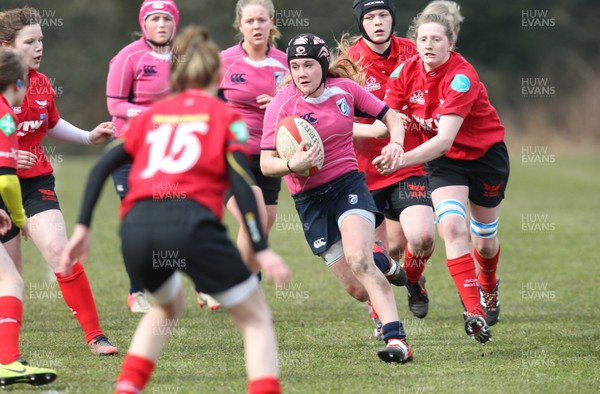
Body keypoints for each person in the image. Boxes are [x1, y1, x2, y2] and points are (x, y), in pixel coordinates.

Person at [60, 25, 290, 394]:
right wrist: (262, 248)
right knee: (256, 319)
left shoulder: (153, 114)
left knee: (166, 308)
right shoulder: (222, 116)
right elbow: (238, 183)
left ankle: (127, 388)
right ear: (218, 76)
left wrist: (83, 227)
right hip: (192, 225)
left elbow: (103, 165)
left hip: (136, 228)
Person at [261, 33, 412, 363]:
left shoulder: (345, 91)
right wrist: (291, 164)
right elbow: (265, 163)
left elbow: (390, 117)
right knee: (358, 289)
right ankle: (387, 263)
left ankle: (397, 340)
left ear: (323, 64)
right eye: (296, 66)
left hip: (347, 187)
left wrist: (396, 144)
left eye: (309, 65)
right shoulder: (280, 104)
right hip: (310, 202)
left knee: (360, 260)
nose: (302, 73)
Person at [376, 12, 509, 342]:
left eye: (436, 39)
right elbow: (385, 123)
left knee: (486, 242)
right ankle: (474, 312)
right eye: (422, 38)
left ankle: (489, 286)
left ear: (451, 43)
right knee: (450, 226)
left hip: (485, 159)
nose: (428, 45)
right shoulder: (404, 73)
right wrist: (341, 126)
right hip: (446, 164)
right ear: (415, 42)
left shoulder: (462, 77)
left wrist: (401, 159)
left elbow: (444, 138)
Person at [0, 7, 118, 355]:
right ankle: (9, 353)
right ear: (6, 45)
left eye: (42, 40)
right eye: (30, 41)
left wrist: (87, 137)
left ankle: (96, 336)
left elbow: (49, 122)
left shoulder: (40, 81)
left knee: (58, 251)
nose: (39, 47)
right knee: (12, 276)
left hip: (34, 182)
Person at [348, 0, 435, 335]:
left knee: (420, 238)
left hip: (407, 164)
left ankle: (413, 279)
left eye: (383, 15)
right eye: (370, 17)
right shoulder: (348, 63)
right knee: (381, 251)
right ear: (361, 24)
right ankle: (380, 316)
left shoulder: (415, 51)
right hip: (364, 171)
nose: (378, 22)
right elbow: (334, 113)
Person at [208, 0, 289, 311]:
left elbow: (301, 107)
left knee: (264, 223)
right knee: (251, 212)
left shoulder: (286, 64)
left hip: (270, 153)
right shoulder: (222, 62)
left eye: (262, 20)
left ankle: (228, 282)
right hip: (230, 152)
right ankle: (239, 289)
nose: (256, 26)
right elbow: (201, 103)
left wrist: (281, 103)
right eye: (250, 20)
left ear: (271, 23)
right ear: (239, 25)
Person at [106, 0, 180, 314]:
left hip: (170, 152)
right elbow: (116, 106)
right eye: (154, 19)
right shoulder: (128, 56)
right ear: (143, 24)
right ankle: (137, 291)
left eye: (167, 18)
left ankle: (191, 285)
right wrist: (155, 114)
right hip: (131, 152)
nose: (161, 24)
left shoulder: (184, 57)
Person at [0, 47, 57, 388]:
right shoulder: (6, 115)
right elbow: (7, 180)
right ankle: (7, 362)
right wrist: (19, 216)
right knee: (11, 281)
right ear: (17, 84)